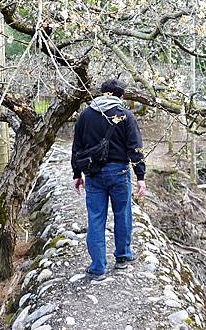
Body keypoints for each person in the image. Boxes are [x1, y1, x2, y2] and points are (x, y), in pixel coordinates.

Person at [71, 78, 146, 278]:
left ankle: (98, 268)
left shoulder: (85, 115)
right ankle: (122, 257)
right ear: (121, 96)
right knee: (122, 213)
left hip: (93, 174)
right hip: (119, 172)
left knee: (96, 218)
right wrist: (140, 176)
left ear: (102, 93)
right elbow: (135, 148)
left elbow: (77, 147)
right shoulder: (125, 115)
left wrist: (77, 173)